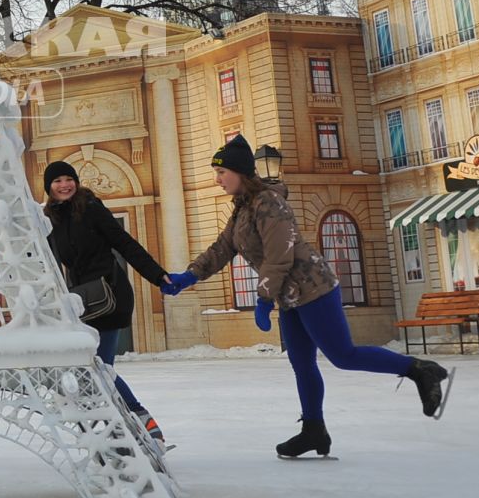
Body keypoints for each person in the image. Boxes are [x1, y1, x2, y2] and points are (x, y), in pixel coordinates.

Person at [161, 134, 452, 458]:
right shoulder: (242, 210)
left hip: (314, 288)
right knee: (301, 363)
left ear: (240, 172)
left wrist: (263, 298)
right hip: (291, 297)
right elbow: (222, 249)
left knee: (343, 355)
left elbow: (279, 255)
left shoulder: (269, 203)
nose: (217, 180)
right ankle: (314, 429)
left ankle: (418, 369)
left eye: (221, 173)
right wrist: (189, 276)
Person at [42, 159, 174, 448]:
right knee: (93, 369)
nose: (65, 185)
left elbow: (124, 243)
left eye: (69, 179)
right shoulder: (51, 219)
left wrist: (157, 275)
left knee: (99, 368)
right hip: (82, 302)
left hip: (110, 296)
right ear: (49, 188)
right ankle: (121, 430)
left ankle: (142, 423)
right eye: (58, 181)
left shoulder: (90, 208)